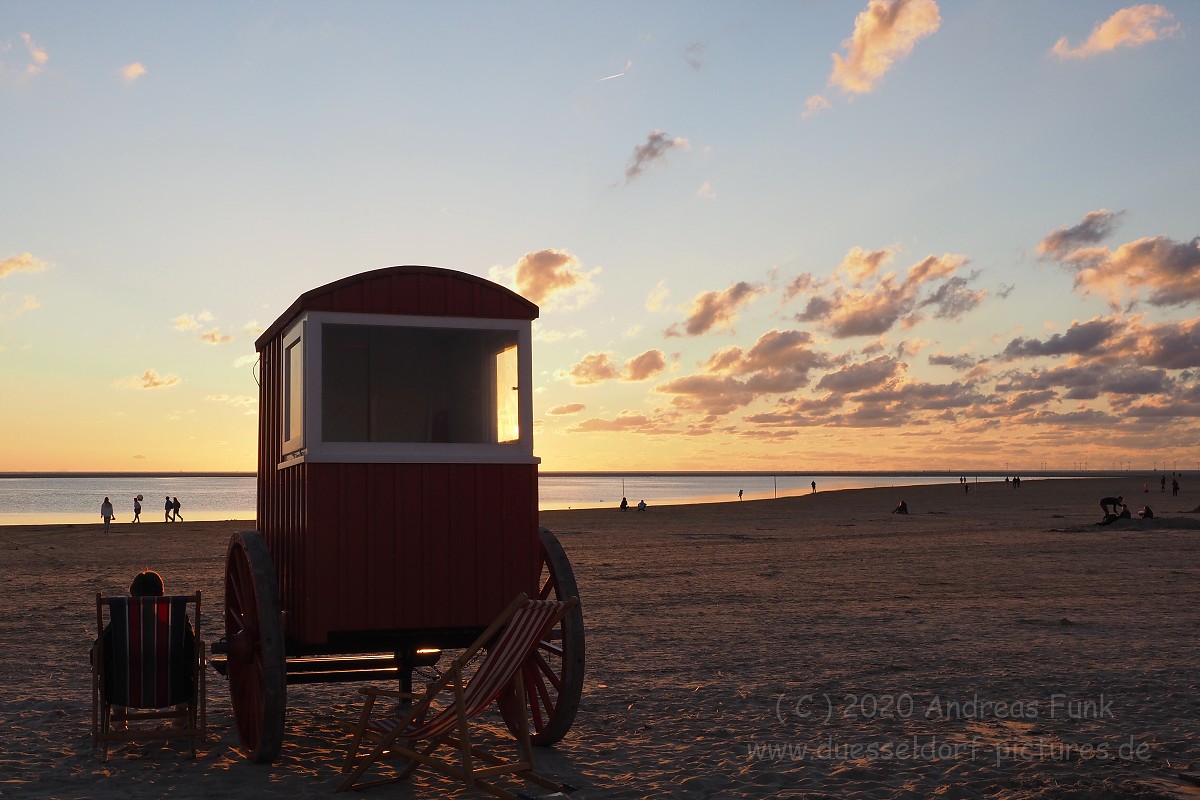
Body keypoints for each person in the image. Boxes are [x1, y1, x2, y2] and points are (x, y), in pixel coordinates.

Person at [92, 570, 196, 703]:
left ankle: (119, 717)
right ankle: (181, 717)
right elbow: (192, 649)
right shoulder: (175, 618)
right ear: (161, 593)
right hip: (176, 690)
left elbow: (98, 650)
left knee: (114, 663)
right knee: (183, 662)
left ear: (134, 595)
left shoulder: (123, 620)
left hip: (123, 692)